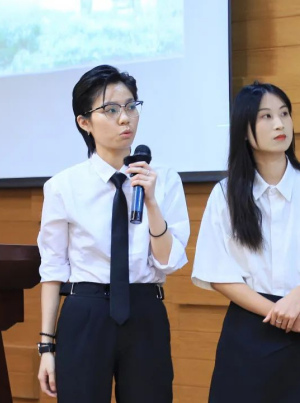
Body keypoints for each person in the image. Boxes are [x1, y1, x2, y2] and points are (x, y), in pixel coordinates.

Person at [192, 82, 300, 402]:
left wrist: (299, 296)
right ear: (244, 131)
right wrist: (280, 312)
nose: (279, 124)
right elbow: (217, 273)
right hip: (249, 329)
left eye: (284, 114)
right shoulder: (225, 195)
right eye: (266, 116)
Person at [36, 64, 190, 403]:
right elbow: (53, 268)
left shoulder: (163, 179)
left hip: (145, 309)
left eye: (131, 106)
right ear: (84, 122)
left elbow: (168, 262)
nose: (125, 118)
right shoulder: (63, 186)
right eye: (111, 110)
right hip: (85, 312)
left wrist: (151, 202)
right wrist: (47, 345)